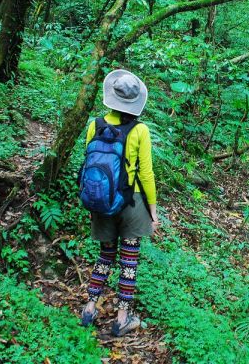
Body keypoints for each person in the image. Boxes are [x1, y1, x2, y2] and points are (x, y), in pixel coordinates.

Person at [80, 69, 159, 337]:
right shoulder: (140, 130)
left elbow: (88, 165)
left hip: (102, 200)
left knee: (105, 256)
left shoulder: (95, 124)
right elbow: (146, 173)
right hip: (131, 202)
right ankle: (122, 318)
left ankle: (89, 308)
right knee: (129, 261)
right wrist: (153, 210)